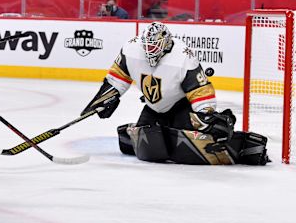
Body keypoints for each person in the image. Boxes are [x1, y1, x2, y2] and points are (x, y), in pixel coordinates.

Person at [81, 21, 269, 165]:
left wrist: (207, 117)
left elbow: (200, 90)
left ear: (165, 43)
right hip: (153, 108)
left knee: (207, 133)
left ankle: (246, 146)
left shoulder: (183, 57)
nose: (149, 51)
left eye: (154, 47)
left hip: (181, 107)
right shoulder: (131, 49)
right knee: (144, 147)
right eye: (147, 45)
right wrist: (104, 99)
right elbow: (116, 78)